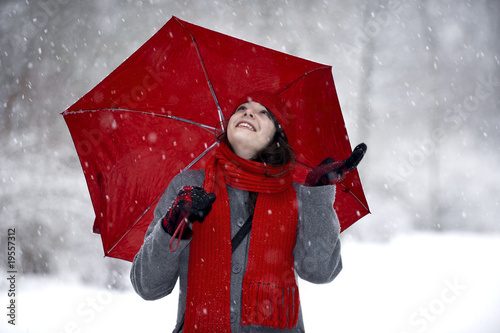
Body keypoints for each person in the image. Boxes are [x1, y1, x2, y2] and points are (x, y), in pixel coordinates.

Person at [130, 91, 366, 332]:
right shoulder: (188, 187)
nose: (248, 111)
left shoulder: (297, 196)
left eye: (264, 112)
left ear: (277, 136)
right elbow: (148, 286)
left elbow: (320, 271)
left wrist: (318, 194)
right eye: (242, 108)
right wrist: (174, 223)